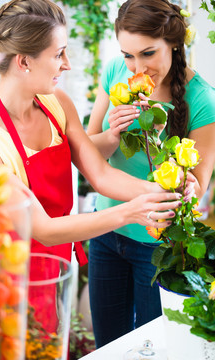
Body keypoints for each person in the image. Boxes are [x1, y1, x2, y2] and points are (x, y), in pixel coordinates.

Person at [0, 0, 184, 274]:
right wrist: (131, 211)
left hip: (60, 261)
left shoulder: (56, 102)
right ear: (24, 61)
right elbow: (43, 229)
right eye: (59, 54)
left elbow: (100, 174)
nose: (67, 65)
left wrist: (167, 193)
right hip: (12, 277)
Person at [87, 0, 215, 348]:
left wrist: (188, 185)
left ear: (173, 42)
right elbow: (87, 151)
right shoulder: (115, 70)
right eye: (128, 55)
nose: (136, 66)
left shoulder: (202, 98)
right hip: (105, 226)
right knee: (108, 344)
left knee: (153, 347)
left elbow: (198, 185)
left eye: (147, 53)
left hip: (156, 244)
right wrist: (113, 135)